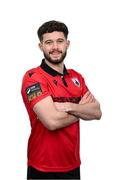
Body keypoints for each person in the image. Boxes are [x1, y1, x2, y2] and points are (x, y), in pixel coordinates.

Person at [21, 20, 102, 179]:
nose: (55, 47)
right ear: (41, 46)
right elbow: (52, 122)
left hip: (72, 164)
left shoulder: (76, 77)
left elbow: (97, 112)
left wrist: (67, 106)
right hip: (42, 166)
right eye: (49, 42)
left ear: (67, 44)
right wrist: (81, 108)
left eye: (60, 41)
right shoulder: (33, 78)